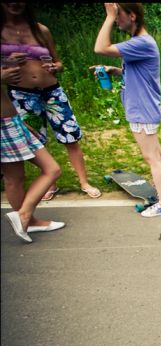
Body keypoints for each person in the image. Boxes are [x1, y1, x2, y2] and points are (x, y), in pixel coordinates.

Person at [1, 2, 101, 201]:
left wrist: (56, 67)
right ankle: (50, 183)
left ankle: (84, 182)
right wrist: (6, 66)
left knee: (70, 136)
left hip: (52, 91)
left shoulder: (40, 30)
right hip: (22, 95)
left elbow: (59, 62)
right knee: (37, 141)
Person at [93, 3, 161, 217]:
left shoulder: (141, 42)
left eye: (119, 15)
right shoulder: (139, 43)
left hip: (142, 109)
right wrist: (115, 71)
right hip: (144, 108)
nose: (117, 19)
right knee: (156, 153)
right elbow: (139, 74)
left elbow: (100, 48)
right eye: (115, 16)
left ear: (132, 15)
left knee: (151, 157)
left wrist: (108, 17)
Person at [2, 61, 64, 243]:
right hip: (3, 126)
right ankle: (26, 219)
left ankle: (25, 217)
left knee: (52, 169)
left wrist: (22, 122)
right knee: (15, 178)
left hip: (12, 120)